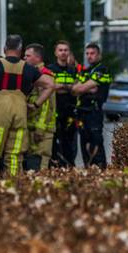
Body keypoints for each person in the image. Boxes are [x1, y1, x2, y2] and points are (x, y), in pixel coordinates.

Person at [0, 35, 53, 179]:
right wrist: (35, 105)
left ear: (4, 49)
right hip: (20, 111)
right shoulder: (28, 68)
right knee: (15, 155)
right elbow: (50, 85)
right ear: (21, 50)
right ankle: (13, 188)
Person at [72, 42, 114, 169]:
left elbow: (80, 89)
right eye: (87, 54)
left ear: (99, 55)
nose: (89, 56)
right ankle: (88, 169)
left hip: (94, 112)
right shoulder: (87, 71)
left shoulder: (102, 69)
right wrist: (87, 88)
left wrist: (83, 87)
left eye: (92, 53)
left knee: (96, 142)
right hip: (82, 112)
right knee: (84, 143)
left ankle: (100, 169)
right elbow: (75, 89)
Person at [47, 40, 82, 168]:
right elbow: (50, 87)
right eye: (60, 50)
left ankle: (69, 167)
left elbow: (78, 88)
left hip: (71, 110)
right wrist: (67, 87)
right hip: (55, 109)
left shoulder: (73, 70)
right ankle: (55, 167)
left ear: (69, 52)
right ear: (56, 53)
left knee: (70, 142)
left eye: (66, 50)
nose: (63, 53)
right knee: (53, 141)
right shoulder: (50, 69)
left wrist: (61, 87)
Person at [23, 43, 57, 171]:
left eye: (28, 56)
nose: (24, 58)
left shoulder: (45, 76)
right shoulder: (34, 73)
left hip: (42, 129)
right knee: (32, 162)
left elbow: (48, 105)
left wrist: (40, 129)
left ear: (37, 58)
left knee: (41, 163)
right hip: (32, 126)